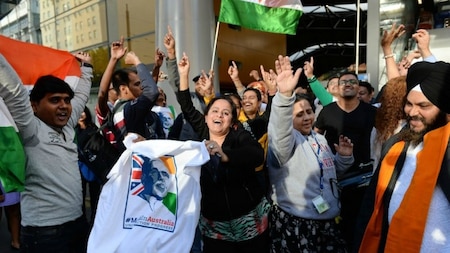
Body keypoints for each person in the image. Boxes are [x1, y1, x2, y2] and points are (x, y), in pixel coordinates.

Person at [177, 52, 270, 253]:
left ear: (232, 121)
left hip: (247, 220)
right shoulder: (202, 133)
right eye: (215, 111)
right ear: (206, 116)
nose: (220, 115)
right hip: (214, 224)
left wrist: (226, 156)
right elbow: (186, 105)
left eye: (226, 113)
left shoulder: (239, 137)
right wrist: (183, 74)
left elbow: (255, 155)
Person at [0, 52, 92, 252]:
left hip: (78, 225)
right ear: (34, 106)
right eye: (55, 100)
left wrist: (87, 68)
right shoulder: (30, 129)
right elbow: (13, 90)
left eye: (67, 100)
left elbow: (82, 94)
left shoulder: (67, 125)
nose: (64, 106)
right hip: (44, 234)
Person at [355, 61, 450, 252]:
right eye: (409, 104)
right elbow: (371, 206)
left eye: (423, 106)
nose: (412, 112)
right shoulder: (397, 144)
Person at [268, 55, 354, 252]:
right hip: (298, 224)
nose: (307, 117)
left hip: (328, 221)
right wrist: (284, 95)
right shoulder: (285, 143)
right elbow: (279, 130)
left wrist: (344, 157)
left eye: (309, 111)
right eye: (299, 114)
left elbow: (331, 176)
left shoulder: (319, 138)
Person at [314, 71, 377, 250]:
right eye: (344, 82)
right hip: (331, 176)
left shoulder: (371, 111)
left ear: (359, 87)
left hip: (362, 176)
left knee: (356, 225)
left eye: (352, 81)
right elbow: (315, 135)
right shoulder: (328, 111)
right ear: (337, 87)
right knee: (332, 226)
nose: (348, 84)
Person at [75, 106, 102, 225]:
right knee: (79, 194)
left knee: (94, 194)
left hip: (93, 165)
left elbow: (99, 145)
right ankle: (82, 220)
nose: (81, 114)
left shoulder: (93, 128)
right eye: (78, 112)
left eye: (83, 111)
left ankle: (94, 220)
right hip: (78, 165)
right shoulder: (72, 130)